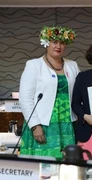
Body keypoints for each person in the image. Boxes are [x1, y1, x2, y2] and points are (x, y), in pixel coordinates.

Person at [19, 26, 80, 159]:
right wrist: (35, 126)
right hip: (43, 124)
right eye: (54, 42)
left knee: (67, 166)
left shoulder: (73, 65)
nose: (58, 46)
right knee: (43, 167)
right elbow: (25, 98)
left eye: (62, 43)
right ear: (46, 43)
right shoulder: (34, 65)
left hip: (67, 124)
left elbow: (80, 93)